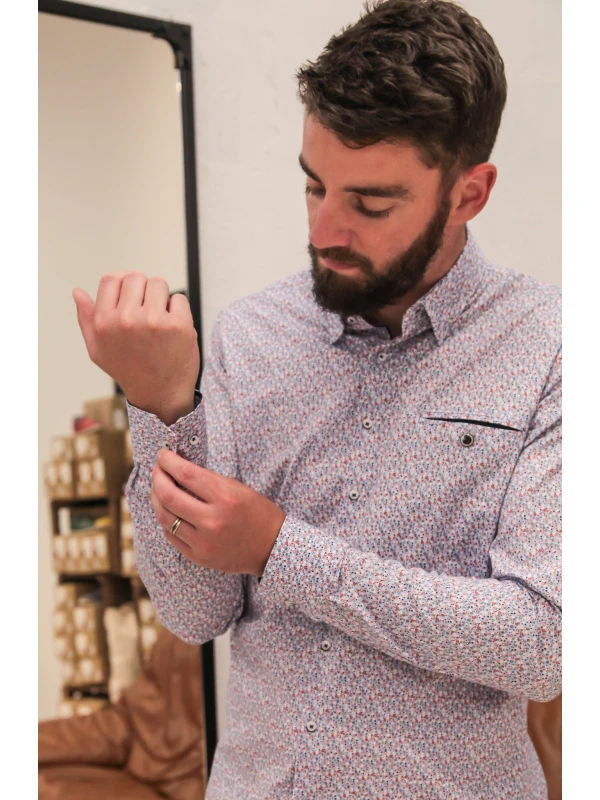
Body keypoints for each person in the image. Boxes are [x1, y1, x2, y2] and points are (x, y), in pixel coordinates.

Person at [73, 1, 561, 797]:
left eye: (371, 204)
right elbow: (195, 613)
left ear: (469, 194)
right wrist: (162, 407)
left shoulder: (550, 346)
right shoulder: (250, 335)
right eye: (313, 185)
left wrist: (279, 550)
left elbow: (542, 642)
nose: (326, 230)